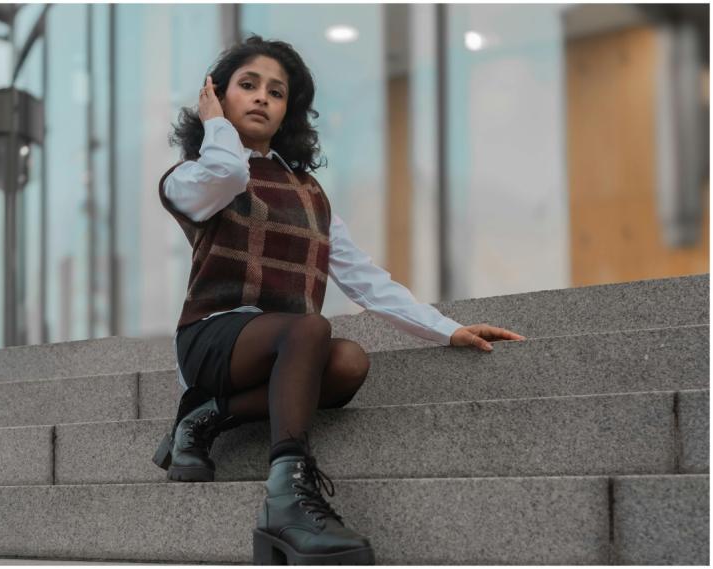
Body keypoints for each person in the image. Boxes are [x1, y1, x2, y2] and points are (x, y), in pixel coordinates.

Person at [152, 34, 525, 565]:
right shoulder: (189, 177)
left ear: (288, 112)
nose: (261, 98)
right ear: (216, 95)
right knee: (311, 328)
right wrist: (215, 125)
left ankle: (206, 418)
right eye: (247, 85)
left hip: (286, 346)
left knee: (350, 362)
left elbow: (365, 279)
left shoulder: (310, 194)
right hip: (212, 340)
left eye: (276, 92)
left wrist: (447, 328)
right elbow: (229, 173)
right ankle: (287, 498)